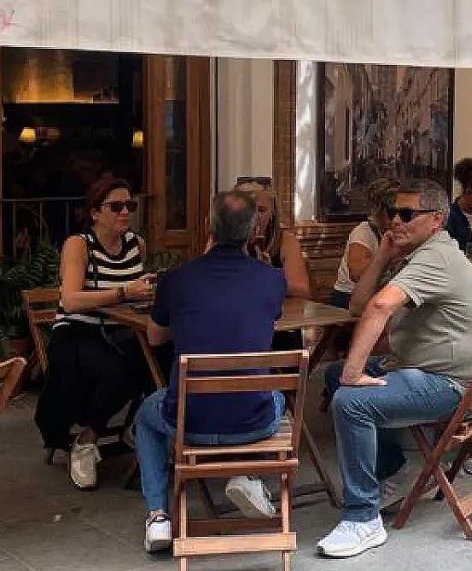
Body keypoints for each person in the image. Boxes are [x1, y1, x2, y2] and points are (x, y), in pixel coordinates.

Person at [317, 180, 472, 559]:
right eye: (391, 213)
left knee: (350, 400)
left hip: (452, 384)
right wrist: (382, 253)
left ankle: (362, 517)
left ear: (436, 219)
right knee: (335, 376)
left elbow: (380, 307)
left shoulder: (436, 257)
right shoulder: (421, 253)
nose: (394, 221)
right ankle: (393, 470)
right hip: (434, 368)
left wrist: (354, 374)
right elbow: (357, 305)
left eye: (406, 214)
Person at [135, 191, 288, 553]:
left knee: (145, 415)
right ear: (254, 230)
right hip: (253, 423)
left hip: (188, 421)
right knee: (279, 396)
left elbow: (155, 337)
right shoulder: (272, 279)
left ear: (208, 227)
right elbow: (267, 320)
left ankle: (158, 515)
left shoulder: (177, 280)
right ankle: (247, 473)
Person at [34, 177, 154, 491]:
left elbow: (132, 293)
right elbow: (71, 299)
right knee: (117, 373)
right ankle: (86, 441)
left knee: (164, 357)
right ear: (95, 212)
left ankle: (139, 426)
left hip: (121, 331)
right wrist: (123, 293)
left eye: (130, 205)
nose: (125, 212)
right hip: (77, 331)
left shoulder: (135, 245)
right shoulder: (79, 244)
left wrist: (145, 291)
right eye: (116, 206)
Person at [233, 177, 311, 299]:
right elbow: (207, 280)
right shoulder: (222, 238)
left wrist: (270, 276)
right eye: (247, 210)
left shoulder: (285, 241)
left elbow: (301, 289)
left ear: (272, 213)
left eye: (261, 210)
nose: (254, 217)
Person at [330, 177, 399, 308]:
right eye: (392, 212)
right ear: (379, 212)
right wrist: (388, 254)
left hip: (383, 296)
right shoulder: (364, 231)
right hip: (348, 299)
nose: (397, 218)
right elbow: (356, 273)